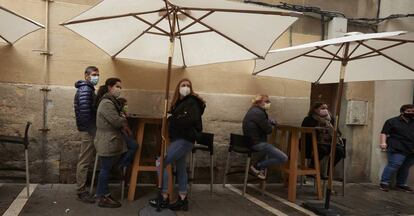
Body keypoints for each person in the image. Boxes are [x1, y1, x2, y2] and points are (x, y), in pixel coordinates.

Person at [149, 78, 206, 211]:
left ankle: (163, 196)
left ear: (191, 88)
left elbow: (189, 120)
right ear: (178, 88)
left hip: (185, 139)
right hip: (179, 139)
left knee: (161, 163)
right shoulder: (179, 103)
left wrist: (172, 117)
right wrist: (171, 114)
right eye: (183, 85)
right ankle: (182, 199)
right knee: (180, 168)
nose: (185, 87)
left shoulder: (192, 102)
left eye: (188, 85)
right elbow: (180, 118)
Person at [94, 78, 128, 208]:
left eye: (120, 87)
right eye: (117, 86)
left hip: (109, 139)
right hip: (106, 140)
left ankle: (103, 194)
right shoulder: (107, 103)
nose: (119, 89)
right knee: (105, 169)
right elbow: (116, 121)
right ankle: (103, 197)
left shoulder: (111, 101)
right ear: (110, 87)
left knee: (106, 168)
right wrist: (123, 118)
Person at [242, 94, 288, 180]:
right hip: (257, 143)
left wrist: (268, 121)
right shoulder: (259, 113)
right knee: (283, 158)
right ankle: (257, 166)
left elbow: (261, 123)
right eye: (266, 101)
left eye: (269, 101)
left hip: (250, 142)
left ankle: (259, 168)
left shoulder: (253, 110)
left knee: (268, 152)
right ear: (259, 102)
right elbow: (268, 130)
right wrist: (271, 123)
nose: (269, 103)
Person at [74, 66, 99, 203]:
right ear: (86, 75)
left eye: (98, 74)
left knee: (85, 159)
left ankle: (82, 188)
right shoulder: (85, 89)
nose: (96, 77)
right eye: (94, 74)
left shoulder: (87, 89)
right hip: (88, 131)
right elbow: (84, 114)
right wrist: (92, 130)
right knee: (84, 160)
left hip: (88, 129)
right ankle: (81, 191)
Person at [379, 104, 414, 192]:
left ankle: (401, 184)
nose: (411, 113)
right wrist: (383, 143)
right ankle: (384, 183)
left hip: (411, 148)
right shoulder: (392, 121)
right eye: (408, 111)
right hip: (397, 146)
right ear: (402, 112)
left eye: (413, 111)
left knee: (406, 166)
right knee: (394, 164)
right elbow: (384, 133)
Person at [301, 102, 345, 167]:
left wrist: (331, 130)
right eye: (322, 108)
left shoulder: (331, 120)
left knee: (340, 151)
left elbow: (338, 132)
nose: (325, 110)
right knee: (322, 149)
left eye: (326, 108)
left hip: (328, 143)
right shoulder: (308, 119)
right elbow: (305, 132)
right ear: (315, 110)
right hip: (312, 142)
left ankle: (329, 170)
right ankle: (312, 167)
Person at [117, 97, 138, 168]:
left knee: (132, 140)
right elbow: (124, 127)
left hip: (123, 134)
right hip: (120, 135)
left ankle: (126, 162)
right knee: (134, 145)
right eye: (125, 105)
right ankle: (122, 163)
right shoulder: (120, 114)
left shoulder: (122, 113)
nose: (126, 106)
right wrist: (130, 133)